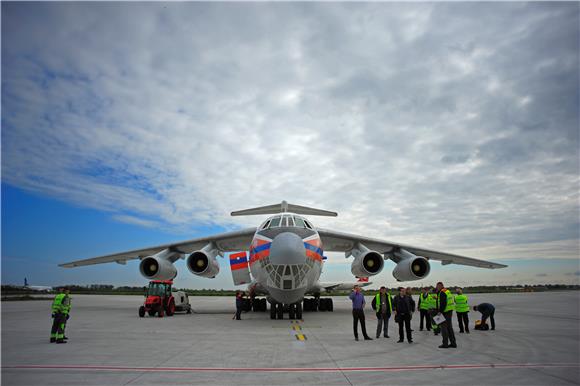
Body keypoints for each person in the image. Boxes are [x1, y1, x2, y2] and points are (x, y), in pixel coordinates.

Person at [435, 282, 457, 349]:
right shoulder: (447, 291)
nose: (436, 287)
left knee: (443, 328)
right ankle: (453, 343)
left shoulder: (442, 292)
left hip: (444, 312)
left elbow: (443, 303)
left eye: (437, 286)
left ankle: (445, 344)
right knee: (449, 328)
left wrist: (440, 312)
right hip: (449, 311)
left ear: (440, 286)